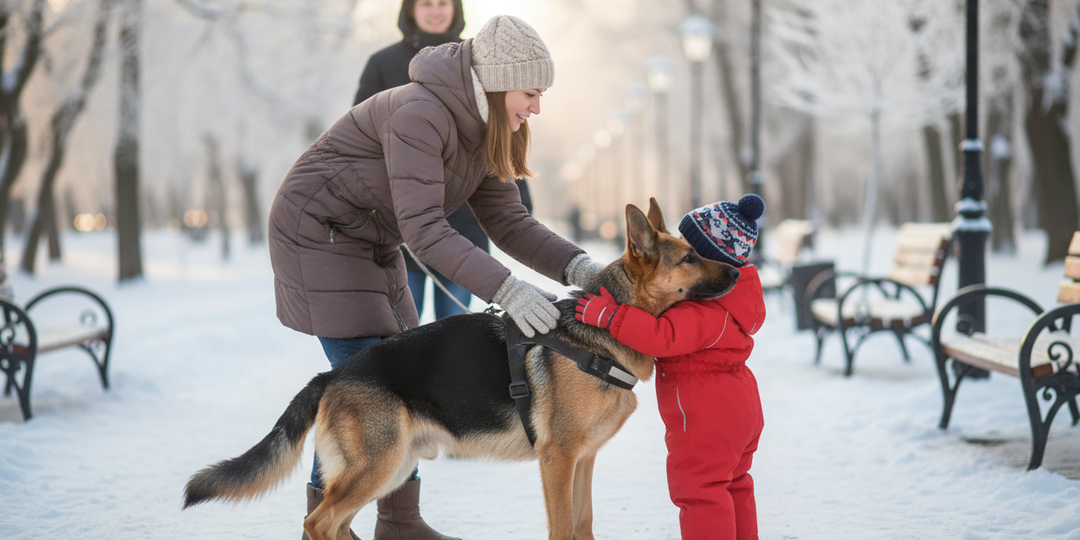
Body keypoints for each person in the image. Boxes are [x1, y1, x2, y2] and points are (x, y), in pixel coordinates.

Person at [268, 14, 605, 540]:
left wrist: (583, 269)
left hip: (374, 240)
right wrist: (507, 291)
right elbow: (424, 229)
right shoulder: (420, 113)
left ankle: (397, 522)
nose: (537, 106)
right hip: (320, 237)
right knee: (371, 379)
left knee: (406, 374)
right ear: (496, 84)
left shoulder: (493, 127)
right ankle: (326, 527)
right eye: (530, 92)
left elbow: (509, 222)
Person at [574, 194, 767, 540]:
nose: (682, 251)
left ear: (712, 259)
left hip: (708, 412)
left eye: (691, 254)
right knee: (736, 483)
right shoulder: (735, 304)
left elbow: (660, 337)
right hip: (741, 403)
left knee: (700, 491)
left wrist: (609, 315)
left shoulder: (703, 312)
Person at [354, 0, 534, 322]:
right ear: (411, 9)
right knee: (402, 334)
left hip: (464, 228)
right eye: (426, 4)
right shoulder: (381, 64)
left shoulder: (482, 64)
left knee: (453, 335)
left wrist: (519, 197)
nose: (435, 11)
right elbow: (361, 138)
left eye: (443, 4)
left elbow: (503, 128)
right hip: (399, 225)